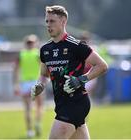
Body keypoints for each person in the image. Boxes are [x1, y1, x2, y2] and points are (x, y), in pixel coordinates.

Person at [31, 5, 108, 139]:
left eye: (52, 21)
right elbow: (44, 74)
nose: (48, 25)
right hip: (61, 104)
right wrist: (40, 85)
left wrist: (80, 80)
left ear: (63, 21)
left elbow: (102, 66)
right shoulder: (45, 49)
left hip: (75, 102)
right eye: (47, 21)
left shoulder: (76, 46)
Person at [14, 34, 43, 138]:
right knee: (39, 106)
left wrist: (16, 85)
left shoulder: (21, 54)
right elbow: (43, 68)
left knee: (27, 108)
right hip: (36, 81)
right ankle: (38, 123)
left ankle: (29, 131)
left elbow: (16, 70)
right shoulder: (38, 54)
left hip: (25, 83)